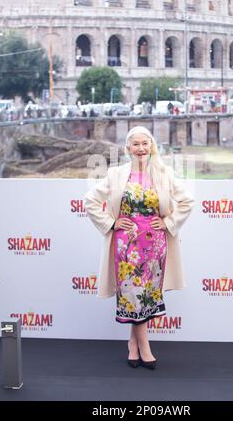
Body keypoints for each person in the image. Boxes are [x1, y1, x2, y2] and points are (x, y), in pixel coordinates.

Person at [84, 126, 194, 370]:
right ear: (128, 148)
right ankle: (144, 347)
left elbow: (187, 200)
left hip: (155, 244)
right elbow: (91, 200)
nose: (141, 148)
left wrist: (168, 222)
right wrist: (111, 223)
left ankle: (133, 344)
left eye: (145, 143)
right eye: (136, 144)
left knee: (146, 294)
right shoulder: (116, 174)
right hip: (126, 246)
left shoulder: (164, 173)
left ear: (151, 146)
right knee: (134, 294)